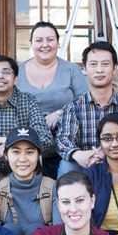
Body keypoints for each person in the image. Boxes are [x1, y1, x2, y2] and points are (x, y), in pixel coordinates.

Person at [56, 41, 118, 177]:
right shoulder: (73, 108)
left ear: (115, 68)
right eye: (93, 64)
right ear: (85, 69)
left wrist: (111, 153)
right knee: (66, 164)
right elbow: (63, 140)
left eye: (105, 64)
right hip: (85, 165)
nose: (99, 70)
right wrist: (79, 154)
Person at [17, 21, 90, 179]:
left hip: (66, 141)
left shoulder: (71, 70)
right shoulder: (17, 71)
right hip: (28, 144)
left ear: (57, 42)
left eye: (50, 40)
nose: (45, 45)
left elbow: (85, 102)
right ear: (31, 44)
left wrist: (60, 114)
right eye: (39, 40)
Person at [0, 126, 61, 235]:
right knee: (10, 230)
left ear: (39, 156)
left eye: (30, 152)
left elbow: (59, 233)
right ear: (6, 155)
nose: (22, 159)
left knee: (35, 230)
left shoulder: (53, 187)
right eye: (16, 152)